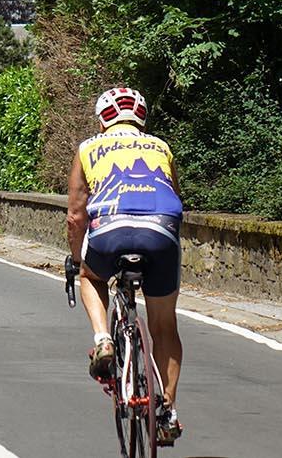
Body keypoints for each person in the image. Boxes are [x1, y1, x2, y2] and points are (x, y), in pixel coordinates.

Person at [68, 87, 183, 445]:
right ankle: (166, 413)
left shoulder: (88, 147)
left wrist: (76, 260)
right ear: (142, 117)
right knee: (164, 326)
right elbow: (176, 197)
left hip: (109, 231)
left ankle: (103, 339)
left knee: (91, 275)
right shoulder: (160, 146)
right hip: (161, 230)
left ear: (103, 118)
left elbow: (75, 215)